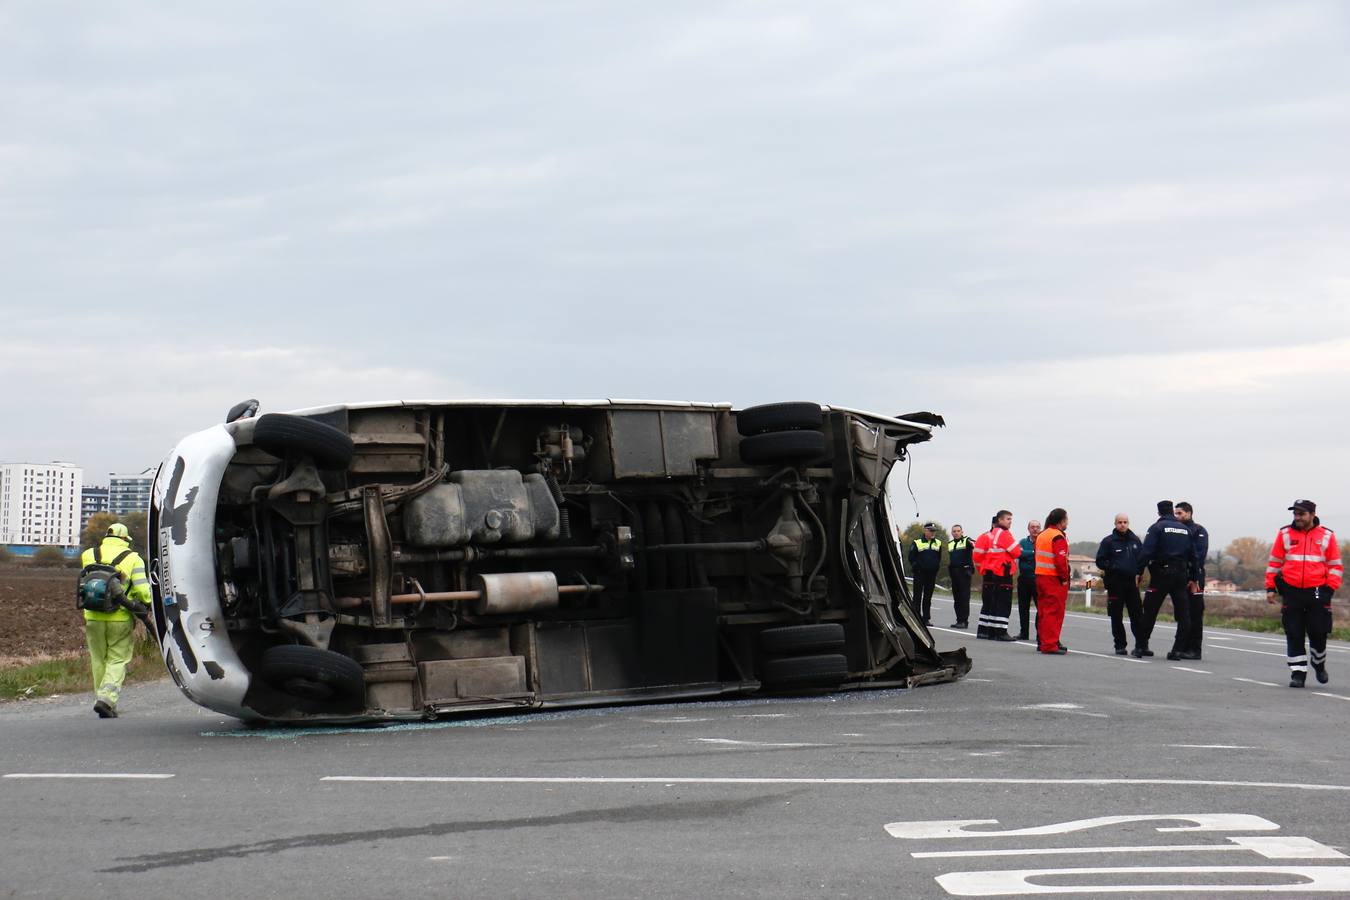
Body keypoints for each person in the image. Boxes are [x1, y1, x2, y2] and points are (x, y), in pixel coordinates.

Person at [79, 523, 152, 718]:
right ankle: (107, 699)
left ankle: (101, 699)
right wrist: (146, 604)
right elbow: (143, 591)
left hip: (92, 616)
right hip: (119, 618)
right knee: (117, 659)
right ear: (126, 540)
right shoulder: (133, 559)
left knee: (98, 659)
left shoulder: (88, 555)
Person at [1266, 500, 1341, 688]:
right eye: (1295, 514)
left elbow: (1335, 566)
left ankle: (1318, 663)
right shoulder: (1284, 534)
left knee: (1318, 632)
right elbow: (1274, 562)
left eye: (1302, 514)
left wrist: (1329, 589)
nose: (1297, 518)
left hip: (1318, 591)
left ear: (1312, 514)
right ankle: (1298, 673)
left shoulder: (1327, 535)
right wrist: (1270, 588)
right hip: (1291, 591)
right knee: (1294, 633)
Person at [1135, 500, 1199, 661]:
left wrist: (1139, 571)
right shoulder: (1185, 530)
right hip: (1181, 576)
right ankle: (1177, 650)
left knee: (1149, 611)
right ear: (1172, 511)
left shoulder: (1157, 528)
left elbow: (1146, 552)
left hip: (1161, 574)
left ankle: (1141, 646)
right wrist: (1194, 579)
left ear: (1159, 513)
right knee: (1183, 614)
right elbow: (1194, 557)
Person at [1095, 513, 1143, 655]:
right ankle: (1120, 645)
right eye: (1120, 522)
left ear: (1129, 523)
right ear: (1115, 523)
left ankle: (1141, 645)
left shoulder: (1135, 541)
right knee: (1116, 616)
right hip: (1115, 584)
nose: (1123, 524)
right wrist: (1114, 567)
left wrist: (1139, 572)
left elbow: (1142, 559)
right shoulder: (1108, 542)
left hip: (1132, 584)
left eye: (1125, 522)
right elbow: (1100, 561)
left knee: (1137, 615)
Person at [972, 510, 1021, 641]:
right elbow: (1016, 552)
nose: (1010, 521)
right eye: (1008, 519)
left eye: (1011, 519)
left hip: (989, 572)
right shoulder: (1004, 534)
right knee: (1002, 603)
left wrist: (982, 569)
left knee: (989, 602)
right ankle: (1000, 631)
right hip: (1002, 572)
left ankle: (985, 630)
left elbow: (977, 556)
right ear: (999, 521)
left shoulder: (987, 536)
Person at [1174, 501, 1209, 659]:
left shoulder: (1199, 530)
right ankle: (1183, 646)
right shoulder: (1177, 531)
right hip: (1180, 577)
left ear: (1189, 513)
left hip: (1195, 577)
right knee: (1183, 613)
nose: (1177, 516)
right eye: (1176, 513)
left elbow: (1199, 555)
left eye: (1180, 513)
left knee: (1195, 612)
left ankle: (1195, 649)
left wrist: (1192, 577)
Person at [1034, 508, 1070, 654]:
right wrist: (1064, 578)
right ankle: (1050, 644)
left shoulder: (1042, 535)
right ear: (1062, 521)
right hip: (1053, 578)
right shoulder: (1057, 536)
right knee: (1054, 612)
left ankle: (1045, 642)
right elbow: (1061, 561)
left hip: (1040, 576)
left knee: (1044, 611)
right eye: (1066, 520)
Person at [907, 523, 942, 626]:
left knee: (928, 597)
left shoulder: (938, 543)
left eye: (934, 531)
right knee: (917, 596)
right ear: (925, 531)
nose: (932, 533)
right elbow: (911, 557)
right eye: (930, 530)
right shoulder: (917, 542)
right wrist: (917, 568)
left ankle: (926, 618)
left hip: (931, 575)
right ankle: (916, 617)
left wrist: (935, 568)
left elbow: (938, 558)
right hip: (920, 574)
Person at [1015, 520, 1041, 641]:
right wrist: (1033, 552)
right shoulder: (1023, 542)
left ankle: (1039, 633)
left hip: (1037, 579)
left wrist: (1028, 554)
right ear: (1028, 529)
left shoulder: (1042, 541)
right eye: (1032, 527)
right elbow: (1019, 553)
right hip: (1024, 578)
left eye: (1037, 527)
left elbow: (1040, 555)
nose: (1035, 529)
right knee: (1023, 607)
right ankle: (1023, 632)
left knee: (1040, 607)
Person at [947, 525, 975, 628]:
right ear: (952, 533)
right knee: (957, 598)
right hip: (954, 573)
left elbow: (974, 544)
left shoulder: (966, 540)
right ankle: (959, 620)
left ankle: (964, 620)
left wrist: (972, 543)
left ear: (962, 532)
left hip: (964, 572)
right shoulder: (950, 544)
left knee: (964, 598)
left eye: (958, 531)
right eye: (954, 531)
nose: (956, 533)